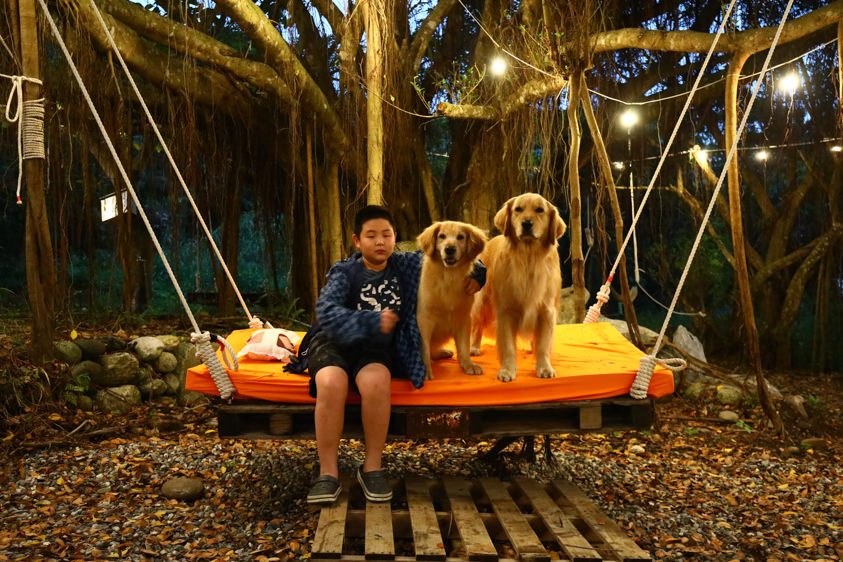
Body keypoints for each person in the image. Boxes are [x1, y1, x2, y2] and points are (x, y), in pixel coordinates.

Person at [305, 205, 484, 504]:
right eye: (371, 235)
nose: (379, 242)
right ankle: (328, 473)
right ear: (356, 240)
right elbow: (325, 311)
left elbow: (456, 256)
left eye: (386, 235)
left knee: (377, 382)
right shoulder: (344, 272)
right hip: (333, 341)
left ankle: (372, 467)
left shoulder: (407, 265)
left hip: (374, 347)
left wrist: (480, 275)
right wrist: (371, 320)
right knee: (331, 383)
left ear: (394, 238)